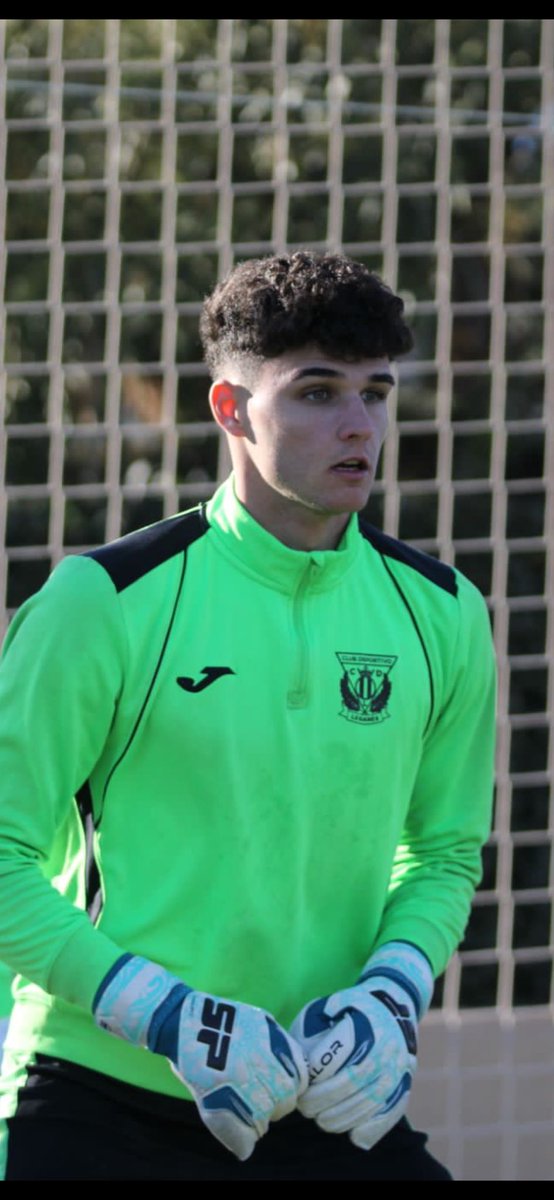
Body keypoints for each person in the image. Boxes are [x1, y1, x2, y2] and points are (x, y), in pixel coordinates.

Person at [0, 251, 495, 1180]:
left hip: (320, 1091)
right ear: (231, 410)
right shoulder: (102, 601)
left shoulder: (444, 614)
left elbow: (443, 851)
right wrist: (163, 1011)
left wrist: (393, 991)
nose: (359, 426)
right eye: (316, 393)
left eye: (376, 394)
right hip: (100, 1093)